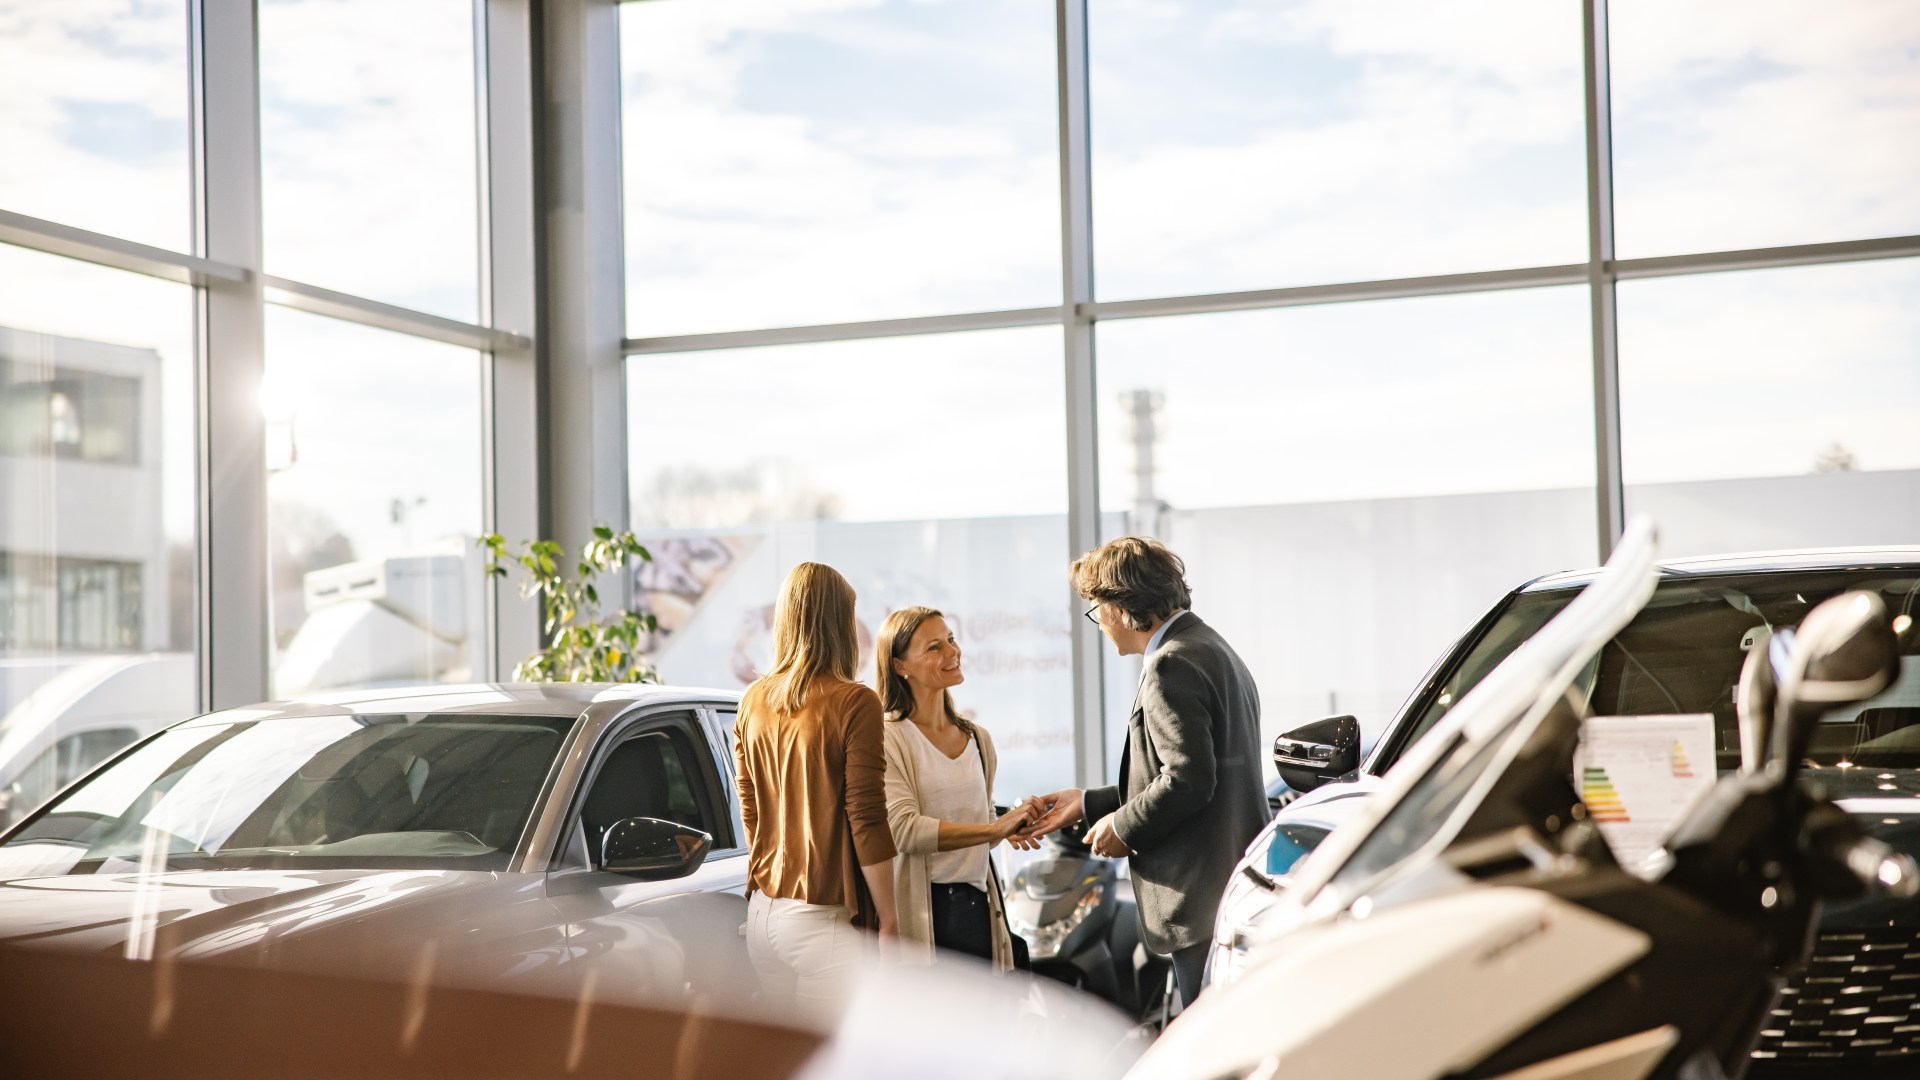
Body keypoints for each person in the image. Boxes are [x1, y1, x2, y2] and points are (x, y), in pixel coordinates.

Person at [1018, 537, 1270, 1007]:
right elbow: (1185, 772)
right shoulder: (1210, 646)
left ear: (1123, 605)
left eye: (1097, 609)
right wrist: (1090, 803)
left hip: (1198, 897)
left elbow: (1189, 780)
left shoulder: (1170, 663)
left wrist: (1122, 826)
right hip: (1224, 889)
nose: (1100, 624)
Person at [734, 562, 898, 1018]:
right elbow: (866, 816)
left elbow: (750, 812)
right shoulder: (855, 701)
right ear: (841, 624)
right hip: (822, 922)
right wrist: (889, 917)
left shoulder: (752, 700)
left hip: (763, 916)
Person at [874, 606, 1037, 972]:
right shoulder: (888, 737)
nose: (952, 653)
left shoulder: (977, 738)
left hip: (978, 907)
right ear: (901, 666)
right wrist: (993, 829)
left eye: (951, 640)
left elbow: (980, 829)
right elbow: (904, 830)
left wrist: (1011, 823)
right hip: (930, 912)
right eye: (934, 647)